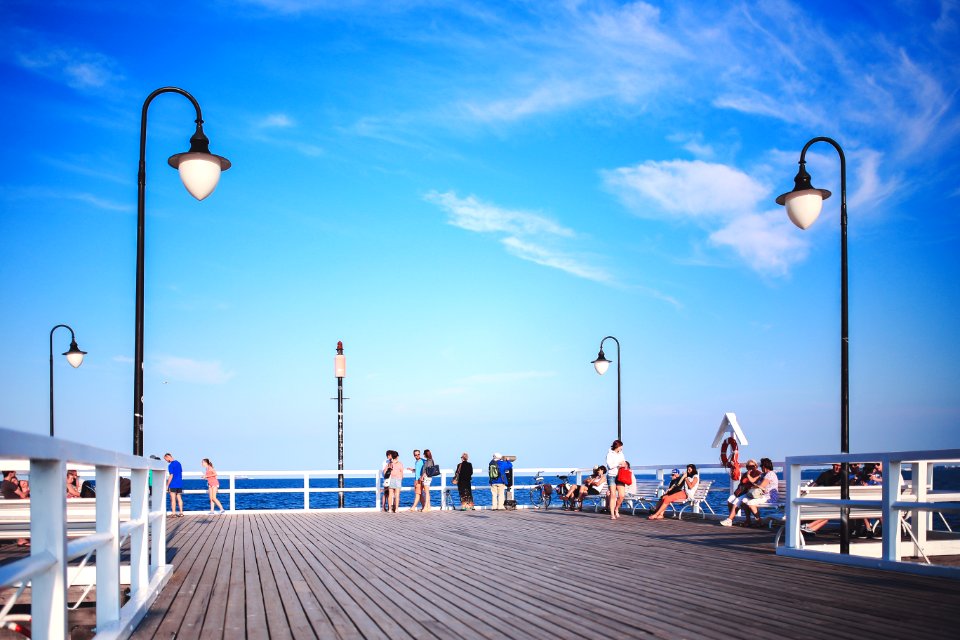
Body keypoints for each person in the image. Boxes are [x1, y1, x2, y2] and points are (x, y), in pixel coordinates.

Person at [721, 457, 777, 527]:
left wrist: (753, 486)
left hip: (768, 496)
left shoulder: (770, 474)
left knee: (750, 502)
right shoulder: (763, 474)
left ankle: (759, 521)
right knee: (741, 499)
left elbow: (761, 486)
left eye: (761, 466)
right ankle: (730, 520)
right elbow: (753, 480)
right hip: (759, 494)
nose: (760, 468)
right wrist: (748, 475)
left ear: (764, 466)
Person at [2, 471, 30, 547]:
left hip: (12, 507)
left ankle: (22, 539)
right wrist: (28, 490)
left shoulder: (4, 484)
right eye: (13, 471)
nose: (15, 472)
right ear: (10, 473)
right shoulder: (10, 484)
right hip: (16, 506)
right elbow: (23, 495)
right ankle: (21, 540)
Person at [605, 440, 625, 514]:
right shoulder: (609, 454)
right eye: (621, 446)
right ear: (617, 446)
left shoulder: (621, 454)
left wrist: (623, 464)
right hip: (612, 476)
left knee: (622, 495)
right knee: (613, 495)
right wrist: (618, 463)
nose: (622, 448)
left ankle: (616, 508)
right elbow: (610, 466)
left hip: (620, 476)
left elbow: (623, 462)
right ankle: (612, 514)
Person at [164, 453, 184, 517]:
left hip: (173, 483)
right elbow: (180, 472)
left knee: (173, 499)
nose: (166, 461)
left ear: (168, 457)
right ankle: (181, 512)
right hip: (179, 483)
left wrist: (167, 485)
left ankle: (173, 513)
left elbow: (171, 475)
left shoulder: (170, 465)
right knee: (179, 498)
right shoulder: (179, 463)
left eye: (165, 459)